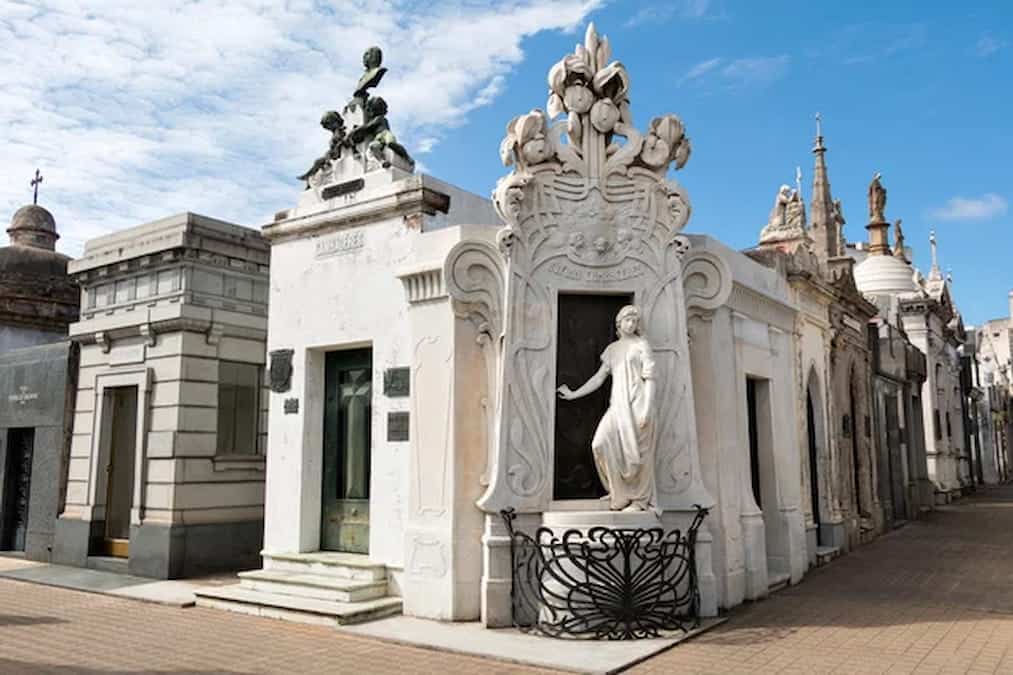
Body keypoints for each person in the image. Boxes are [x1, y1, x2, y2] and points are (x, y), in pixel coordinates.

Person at [557, 305, 658, 513]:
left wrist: (647, 409)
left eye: (634, 321)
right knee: (600, 443)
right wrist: (574, 394)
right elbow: (599, 378)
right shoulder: (613, 349)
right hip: (618, 404)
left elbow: (650, 379)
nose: (631, 324)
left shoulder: (642, 345)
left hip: (638, 403)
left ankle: (639, 501)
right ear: (619, 323)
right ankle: (618, 494)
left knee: (638, 456)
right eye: (627, 320)